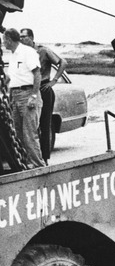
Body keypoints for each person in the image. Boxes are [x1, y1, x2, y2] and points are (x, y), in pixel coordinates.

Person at [20, 28, 67, 165]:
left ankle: (44, 158)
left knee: (45, 125)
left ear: (31, 37)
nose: (21, 39)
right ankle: (30, 158)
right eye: (20, 37)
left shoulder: (43, 51)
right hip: (29, 91)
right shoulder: (22, 53)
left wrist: (54, 80)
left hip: (44, 89)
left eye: (24, 37)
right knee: (30, 126)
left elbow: (63, 62)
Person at [3, 28, 45, 168]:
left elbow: (37, 74)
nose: (3, 43)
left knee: (29, 135)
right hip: (15, 96)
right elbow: (12, 79)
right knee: (18, 134)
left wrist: (33, 96)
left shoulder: (28, 52)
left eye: (4, 40)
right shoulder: (13, 55)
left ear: (9, 40)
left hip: (28, 95)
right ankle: (27, 164)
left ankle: (39, 166)